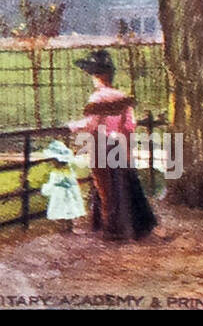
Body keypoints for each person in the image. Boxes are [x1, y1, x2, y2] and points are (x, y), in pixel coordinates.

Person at [67, 49, 158, 241]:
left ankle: (112, 229)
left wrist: (72, 126)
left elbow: (92, 124)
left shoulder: (97, 98)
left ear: (97, 76)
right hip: (120, 145)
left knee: (105, 188)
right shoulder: (122, 97)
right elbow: (129, 125)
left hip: (102, 146)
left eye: (93, 74)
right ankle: (130, 227)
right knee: (122, 186)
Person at [40, 139, 86, 233]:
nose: (52, 162)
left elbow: (53, 184)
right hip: (69, 193)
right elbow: (73, 182)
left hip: (60, 194)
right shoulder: (69, 171)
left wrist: (45, 189)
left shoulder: (56, 173)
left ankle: (65, 227)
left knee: (62, 208)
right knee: (68, 208)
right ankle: (67, 227)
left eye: (53, 160)